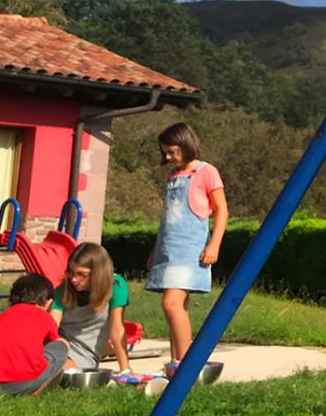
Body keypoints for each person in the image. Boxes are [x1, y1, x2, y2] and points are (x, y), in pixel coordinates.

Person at [148, 122, 228, 376]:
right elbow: (166, 218)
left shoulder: (206, 171)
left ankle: (186, 366)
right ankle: (175, 364)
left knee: (171, 303)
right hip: (167, 249)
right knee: (177, 308)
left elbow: (222, 210)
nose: (168, 157)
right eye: (165, 153)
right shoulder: (172, 175)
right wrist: (155, 249)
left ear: (186, 144)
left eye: (172, 151)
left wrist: (214, 244)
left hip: (190, 250)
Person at [0, 273, 67, 395]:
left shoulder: (3, 316)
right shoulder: (45, 318)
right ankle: (36, 392)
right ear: (48, 303)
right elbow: (52, 341)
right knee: (62, 346)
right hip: (20, 383)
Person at [51, 242, 131, 374]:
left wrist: (125, 370)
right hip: (59, 343)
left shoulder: (116, 286)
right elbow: (52, 326)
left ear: (98, 272)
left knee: (59, 370)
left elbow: (117, 329)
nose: (74, 280)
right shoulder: (64, 289)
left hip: (85, 352)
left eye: (81, 274)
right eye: (71, 273)